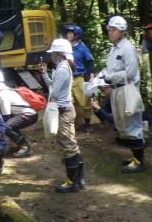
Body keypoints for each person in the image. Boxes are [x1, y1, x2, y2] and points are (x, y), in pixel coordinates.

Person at [40, 38, 85, 192]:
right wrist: (45, 74)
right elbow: (54, 87)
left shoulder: (62, 69)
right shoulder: (61, 67)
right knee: (71, 145)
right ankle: (78, 181)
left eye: (53, 53)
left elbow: (54, 92)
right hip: (66, 109)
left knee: (67, 146)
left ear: (58, 54)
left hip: (63, 111)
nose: (51, 55)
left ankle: (72, 182)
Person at [102, 15, 146, 173]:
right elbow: (111, 70)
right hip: (117, 90)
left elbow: (131, 72)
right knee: (123, 125)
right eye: (109, 29)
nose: (110, 32)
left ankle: (139, 162)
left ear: (122, 31)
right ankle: (135, 157)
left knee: (132, 124)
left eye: (113, 29)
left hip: (128, 90)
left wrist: (109, 77)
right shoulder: (114, 48)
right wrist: (103, 78)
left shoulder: (128, 48)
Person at [0, 69, 37, 158]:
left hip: (29, 115)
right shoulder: (6, 89)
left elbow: (6, 117)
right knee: (8, 125)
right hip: (28, 114)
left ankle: (25, 147)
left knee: (5, 127)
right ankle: (18, 145)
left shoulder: (2, 94)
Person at [65, 24, 95, 132]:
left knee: (85, 103)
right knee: (68, 102)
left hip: (79, 78)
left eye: (70, 33)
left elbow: (90, 62)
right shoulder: (65, 47)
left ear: (76, 35)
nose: (67, 34)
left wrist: (91, 76)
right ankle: (70, 125)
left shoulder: (82, 47)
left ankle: (87, 124)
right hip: (67, 78)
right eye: (67, 33)